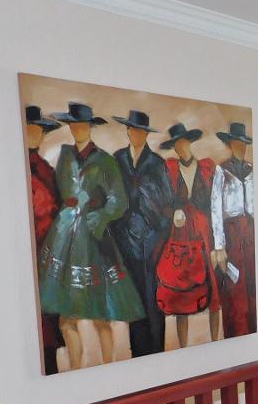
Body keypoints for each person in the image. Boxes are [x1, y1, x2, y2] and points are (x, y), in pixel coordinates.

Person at [38, 102, 144, 368]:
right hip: (64, 237)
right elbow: (59, 192)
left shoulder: (105, 160)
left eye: (82, 125)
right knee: (66, 313)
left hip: (93, 239)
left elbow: (118, 200)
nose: (77, 130)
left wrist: (100, 216)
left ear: (90, 127)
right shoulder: (65, 156)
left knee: (100, 311)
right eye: (73, 125)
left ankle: (109, 367)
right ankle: (75, 368)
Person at [111, 109, 174, 357]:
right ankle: (138, 356)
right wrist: (117, 232)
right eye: (132, 130)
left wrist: (157, 236)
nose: (136, 134)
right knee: (133, 301)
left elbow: (167, 205)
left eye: (140, 131)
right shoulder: (118, 159)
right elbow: (111, 195)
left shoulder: (156, 163)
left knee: (152, 300)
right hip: (125, 241)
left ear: (146, 134)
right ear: (127, 131)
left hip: (151, 242)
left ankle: (157, 352)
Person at [159, 122, 221, 347]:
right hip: (180, 232)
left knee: (212, 285)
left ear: (189, 143)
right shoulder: (170, 169)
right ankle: (183, 346)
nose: (180, 147)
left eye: (183, 142)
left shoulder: (206, 168)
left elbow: (215, 203)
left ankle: (216, 341)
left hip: (204, 232)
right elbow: (163, 202)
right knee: (181, 286)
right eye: (176, 144)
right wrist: (173, 212)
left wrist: (218, 244)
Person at [25, 105, 64, 374]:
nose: (36, 134)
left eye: (39, 130)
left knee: (50, 317)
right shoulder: (20, 167)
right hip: (32, 253)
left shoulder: (46, 168)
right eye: (31, 129)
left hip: (50, 253)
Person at [211, 121, 257, 337]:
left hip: (251, 233)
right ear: (230, 144)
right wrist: (219, 245)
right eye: (237, 143)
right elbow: (215, 208)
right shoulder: (222, 170)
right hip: (231, 233)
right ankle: (237, 335)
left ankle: (254, 331)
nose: (241, 147)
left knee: (253, 284)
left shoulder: (252, 170)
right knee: (234, 283)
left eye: (243, 143)